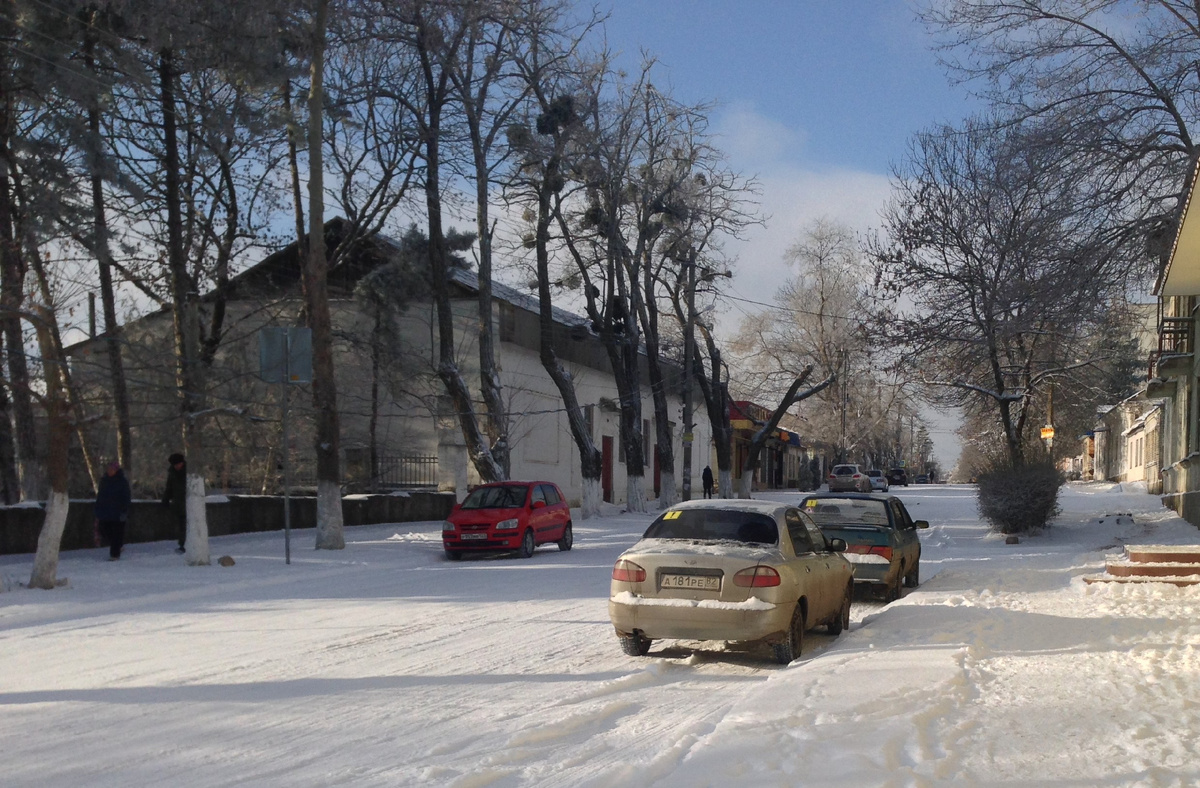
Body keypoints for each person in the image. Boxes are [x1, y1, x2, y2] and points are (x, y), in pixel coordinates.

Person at [94, 461, 131, 561]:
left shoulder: (122, 481)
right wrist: (98, 508)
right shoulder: (104, 481)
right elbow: (100, 496)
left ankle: (115, 554)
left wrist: (124, 509)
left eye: (112, 469)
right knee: (104, 530)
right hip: (105, 511)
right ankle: (118, 546)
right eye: (108, 469)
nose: (109, 471)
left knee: (116, 533)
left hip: (118, 512)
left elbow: (126, 496)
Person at [162, 453, 187, 554]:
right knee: (181, 525)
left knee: (186, 525)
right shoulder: (172, 473)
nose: (177, 466)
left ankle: (185, 544)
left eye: (178, 464)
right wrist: (166, 499)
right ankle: (182, 545)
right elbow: (169, 487)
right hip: (179, 503)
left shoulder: (188, 472)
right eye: (175, 465)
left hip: (187, 503)